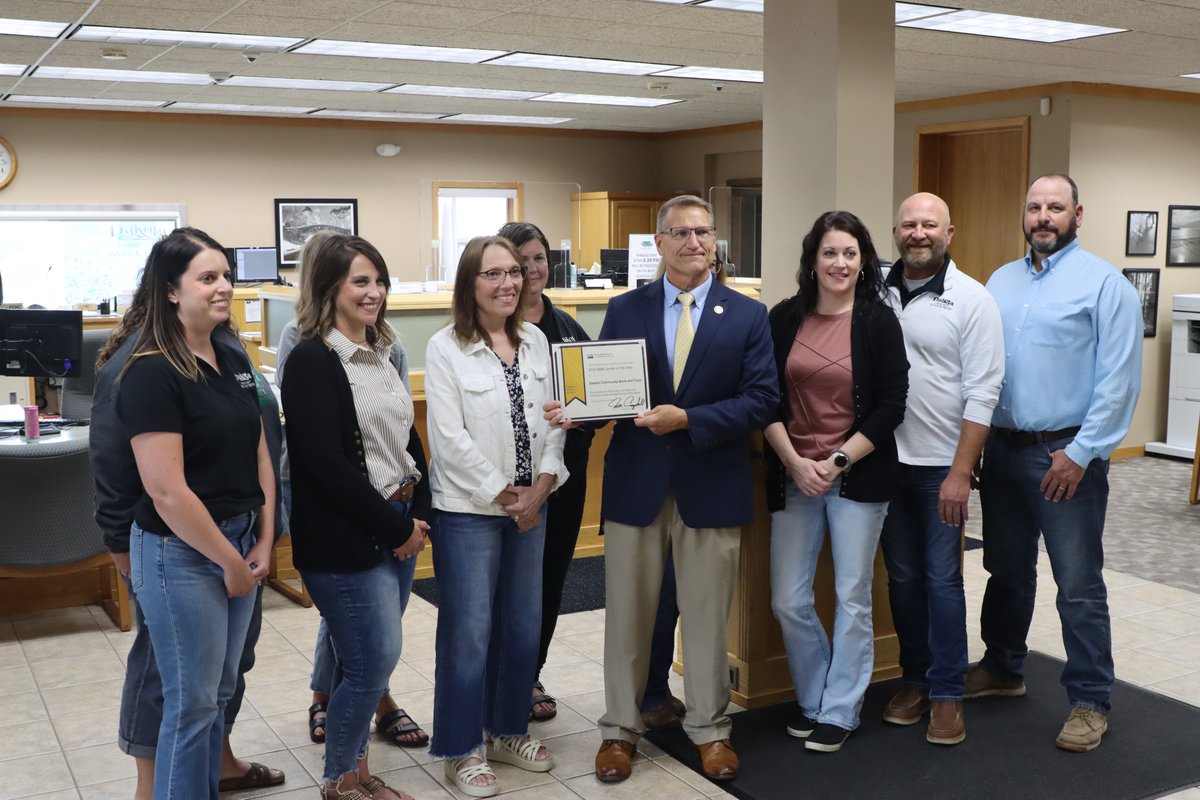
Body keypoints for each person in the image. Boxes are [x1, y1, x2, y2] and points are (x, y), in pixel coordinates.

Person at [548, 194, 778, 783]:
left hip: (712, 485)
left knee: (705, 617)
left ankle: (710, 730)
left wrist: (691, 420)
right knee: (627, 614)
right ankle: (620, 730)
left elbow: (762, 400)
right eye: (679, 233)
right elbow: (607, 392)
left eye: (703, 232)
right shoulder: (626, 310)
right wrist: (579, 411)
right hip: (638, 484)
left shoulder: (747, 314)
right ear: (659, 242)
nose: (693, 243)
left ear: (715, 240)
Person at [93, 236, 287, 800]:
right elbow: (166, 491)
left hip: (241, 538)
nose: (224, 286)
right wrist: (229, 562)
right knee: (191, 703)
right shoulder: (150, 371)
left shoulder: (230, 355)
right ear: (172, 291)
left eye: (225, 275)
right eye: (207, 278)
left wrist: (266, 535)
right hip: (181, 552)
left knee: (217, 693)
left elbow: (260, 448)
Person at [968, 174, 1143, 752]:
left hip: (1064, 455)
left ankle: (1090, 701)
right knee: (1006, 569)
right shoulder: (1001, 280)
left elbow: (1118, 383)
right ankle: (1003, 668)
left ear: (1077, 213)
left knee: (1078, 584)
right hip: (1002, 448)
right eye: (1035, 207)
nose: (1044, 217)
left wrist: (1081, 452)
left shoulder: (1104, 285)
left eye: (1056, 208)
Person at [280, 234, 430, 800]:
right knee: (371, 664)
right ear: (330, 288)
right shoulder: (313, 358)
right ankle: (340, 781)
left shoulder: (384, 347)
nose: (374, 293)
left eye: (379, 281)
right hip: (349, 536)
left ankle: (359, 773)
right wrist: (394, 529)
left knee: (363, 663)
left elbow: (404, 437)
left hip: (396, 521)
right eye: (360, 282)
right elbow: (325, 465)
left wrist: (418, 509)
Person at [425, 235, 567, 797]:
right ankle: (461, 748)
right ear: (470, 284)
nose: (508, 282)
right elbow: (448, 438)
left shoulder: (535, 341)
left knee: (522, 624)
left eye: (514, 272)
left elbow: (558, 419)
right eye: (493, 274)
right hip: (469, 512)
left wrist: (543, 486)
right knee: (468, 633)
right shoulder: (445, 347)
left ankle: (508, 731)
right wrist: (509, 496)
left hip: (534, 504)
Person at [764, 210, 908, 754]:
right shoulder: (784, 319)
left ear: (864, 260)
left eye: (850, 253)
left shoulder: (876, 321)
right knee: (788, 599)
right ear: (812, 260)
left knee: (852, 596)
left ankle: (840, 709)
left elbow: (892, 405)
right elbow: (764, 398)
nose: (840, 263)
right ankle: (816, 696)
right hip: (793, 474)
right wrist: (796, 462)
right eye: (830, 252)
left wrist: (837, 462)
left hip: (858, 476)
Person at [879, 193, 1004, 745]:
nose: (918, 233)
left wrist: (961, 471)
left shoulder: (973, 300)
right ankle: (916, 678)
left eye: (929, 224)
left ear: (949, 231)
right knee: (902, 580)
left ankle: (949, 691)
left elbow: (984, 393)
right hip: (882, 462)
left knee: (942, 580)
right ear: (896, 231)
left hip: (939, 468)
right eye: (909, 224)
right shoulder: (874, 292)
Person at [496, 221, 594, 723]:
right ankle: (500, 678)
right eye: (520, 261)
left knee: (549, 580)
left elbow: (592, 409)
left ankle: (531, 673)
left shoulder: (568, 329)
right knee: (504, 587)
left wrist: (576, 425)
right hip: (502, 488)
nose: (532, 270)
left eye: (539, 259)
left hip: (562, 483)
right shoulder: (491, 327)